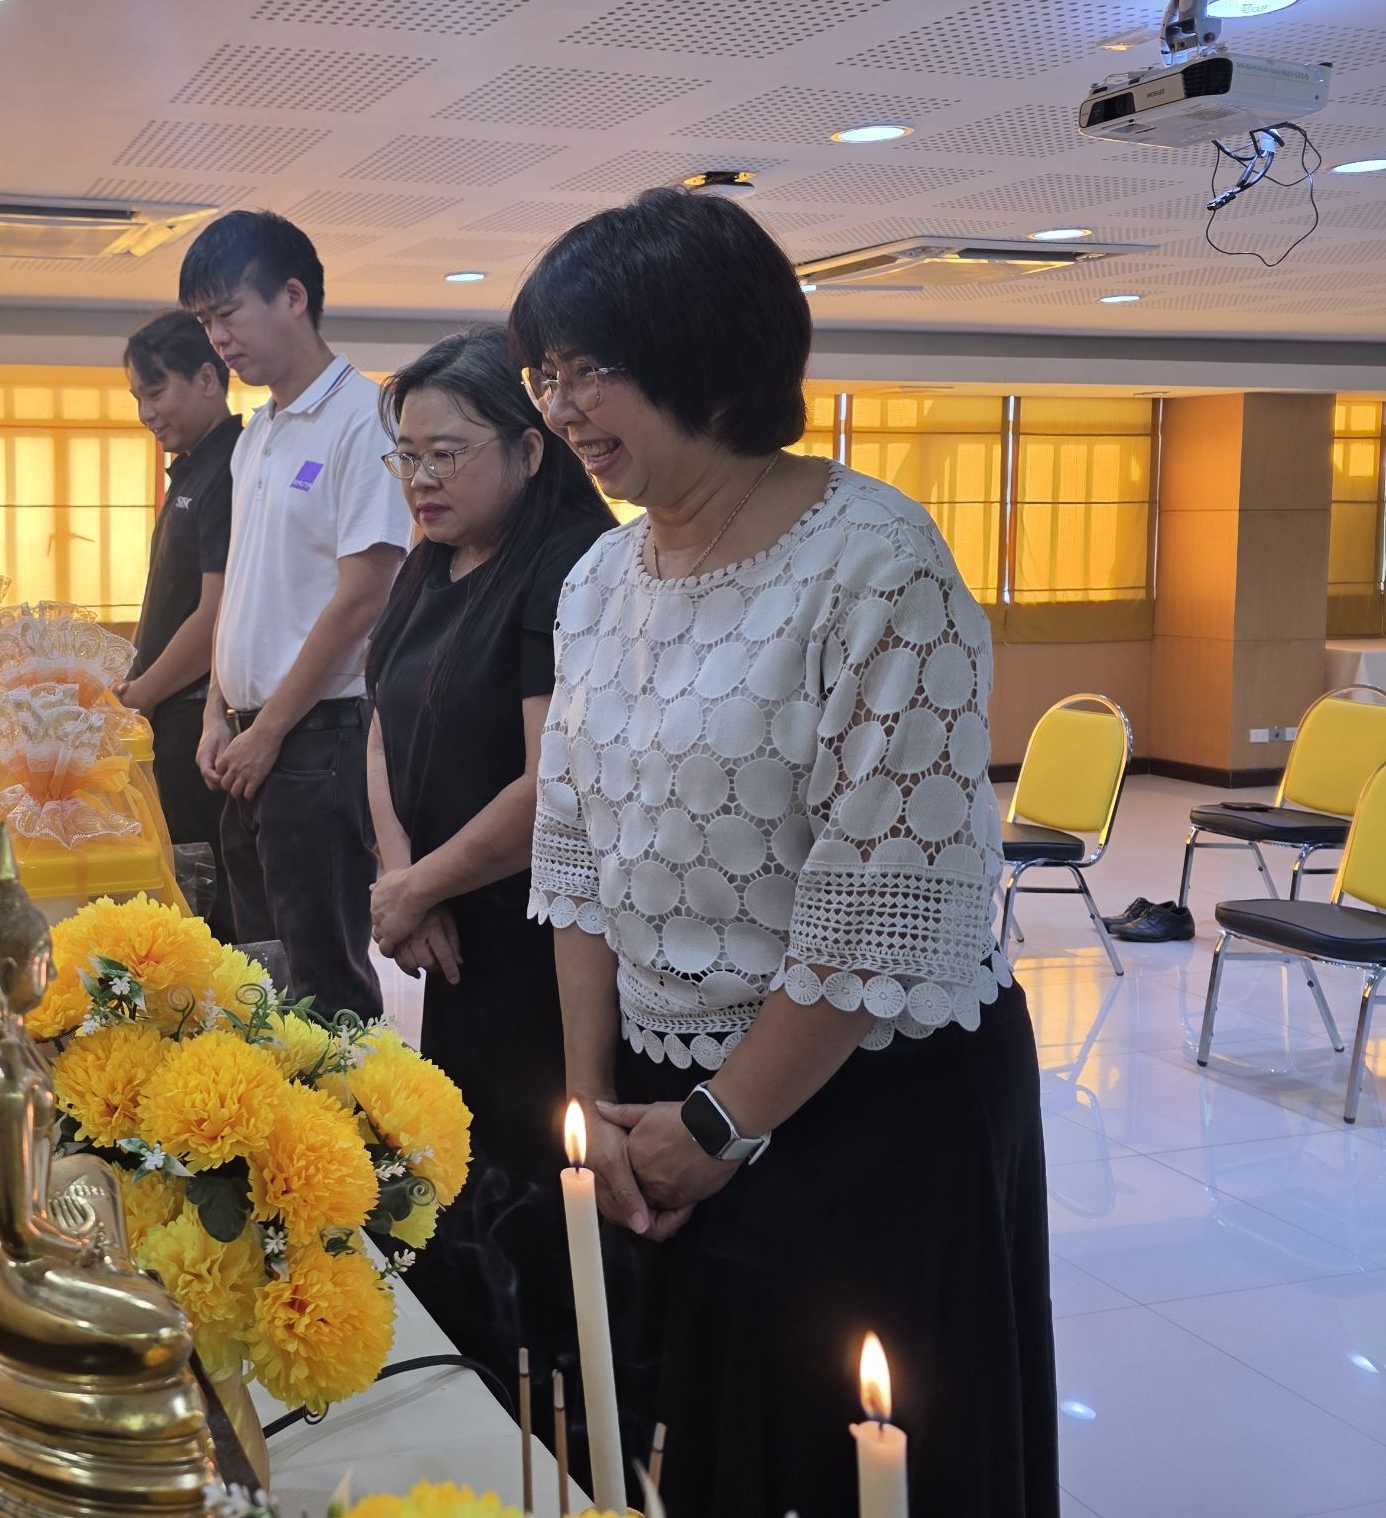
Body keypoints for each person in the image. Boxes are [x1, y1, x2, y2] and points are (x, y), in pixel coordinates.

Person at [517, 188, 1056, 1518]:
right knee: (700, 1454)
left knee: (857, 1464)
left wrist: (718, 1127)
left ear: (708, 353)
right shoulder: (598, 580)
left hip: (865, 1109)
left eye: (592, 368)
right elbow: (575, 852)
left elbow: (875, 910)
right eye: (545, 374)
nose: (563, 406)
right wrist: (595, 1104)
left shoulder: (876, 563)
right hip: (665, 1108)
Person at [361, 327, 611, 1408]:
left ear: (529, 448)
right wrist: (402, 876)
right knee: (463, 1174)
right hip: (448, 923)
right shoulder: (431, 558)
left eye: (446, 453)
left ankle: (552, 1417)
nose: (420, 478)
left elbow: (552, 783)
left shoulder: (567, 569)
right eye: (407, 455)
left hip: (544, 942)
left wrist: (426, 886)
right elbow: (380, 720)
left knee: (536, 1195)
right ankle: (483, 1388)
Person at [181, 211, 409, 1020]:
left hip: (317, 738)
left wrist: (270, 729)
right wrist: (216, 711)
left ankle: (353, 1109)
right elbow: (243, 589)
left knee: (323, 990)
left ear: (293, 296)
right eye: (205, 321)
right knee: (263, 981)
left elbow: (365, 592)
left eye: (227, 312)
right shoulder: (259, 433)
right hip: (250, 738)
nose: (218, 338)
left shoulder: (366, 417)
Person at [120, 310, 241, 938]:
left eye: (156, 392)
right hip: (169, 713)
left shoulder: (230, 468)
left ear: (207, 379)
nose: (146, 412)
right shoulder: (194, 467)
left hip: (200, 718)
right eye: (137, 398)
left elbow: (215, 613)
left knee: (211, 904)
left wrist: (139, 694)